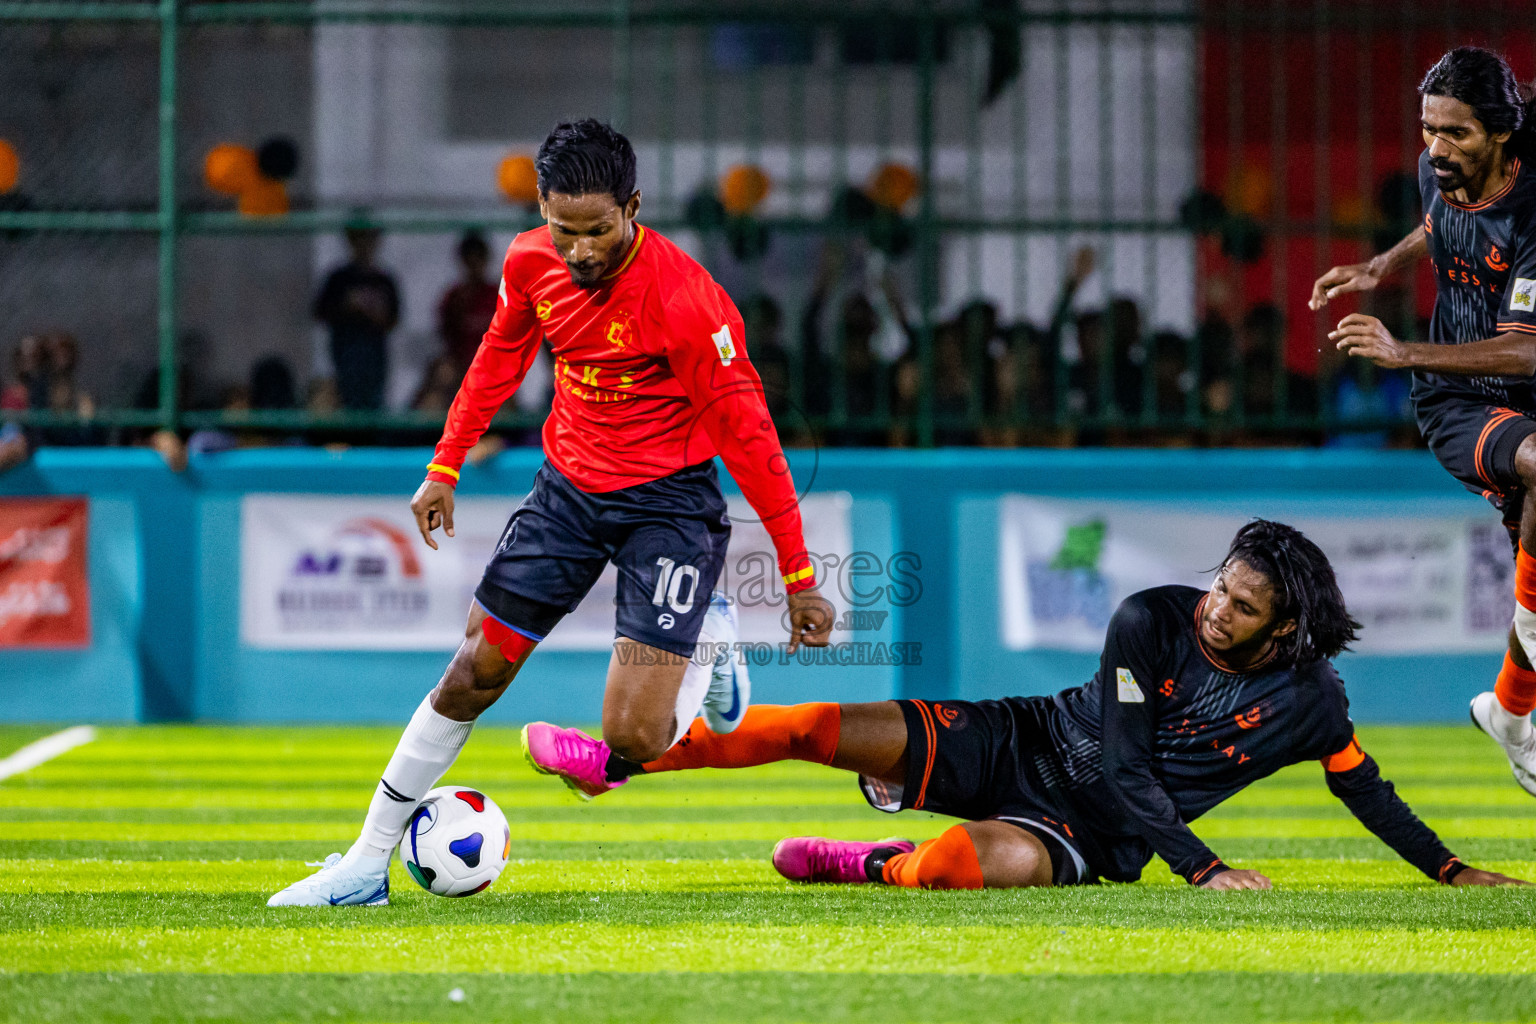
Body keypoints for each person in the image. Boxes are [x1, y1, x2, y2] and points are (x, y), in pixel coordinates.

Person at [268, 119, 835, 907]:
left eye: (598, 231)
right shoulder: (531, 261)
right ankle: (365, 866)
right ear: (541, 209)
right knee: (471, 675)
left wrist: (799, 573)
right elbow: (499, 356)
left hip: (668, 509)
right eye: (563, 229)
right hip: (567, 493)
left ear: (633, 206)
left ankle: (713, 627)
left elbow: (753, 440)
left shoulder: (688, 302)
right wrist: (445, 464)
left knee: (632, 737)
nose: (580, 251)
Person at [531, 521, 1526, 891]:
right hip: (1025, 737)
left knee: (966, 865)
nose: (1215, 607)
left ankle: (875, 864)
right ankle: (615, 762)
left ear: (1283, 633)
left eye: (1241, 606)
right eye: (1220, 585)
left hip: (1089, 833)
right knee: (808, 726)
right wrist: (1209, 867)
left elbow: (1365, 788)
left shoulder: (1313, 704)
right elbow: (1127, 755)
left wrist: (1446, 867)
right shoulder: (1150, 617)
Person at [1314, 47, 1536, 797]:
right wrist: (1382, 265)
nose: (1436, 149)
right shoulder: (1436, 170)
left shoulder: (1533, 207)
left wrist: (1402, 348)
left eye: (1456, 134)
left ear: (1502, 135)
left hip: (1515, 385)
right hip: (1458, 402)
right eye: (1427, 129)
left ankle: (1510, 707)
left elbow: (1526, 353)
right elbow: (1439, 225)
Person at [313, 224, 400, 411]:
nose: (364, 245)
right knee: (347, 404)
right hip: (345, 354)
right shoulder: (338, 279)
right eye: (359, 238)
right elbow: (320, 313)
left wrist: (374, 312)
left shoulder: (384, 280)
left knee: (373, 405)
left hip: (375, 358)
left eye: (368, 238)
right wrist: (348, 306)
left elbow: (394, 320)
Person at [437, 230, 500, 377]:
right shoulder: (454, 297)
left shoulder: (498, 295)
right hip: (460, 366)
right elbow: (445, 336)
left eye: (478, 259)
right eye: (470, 260)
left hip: (493, 365)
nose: (474, 266)